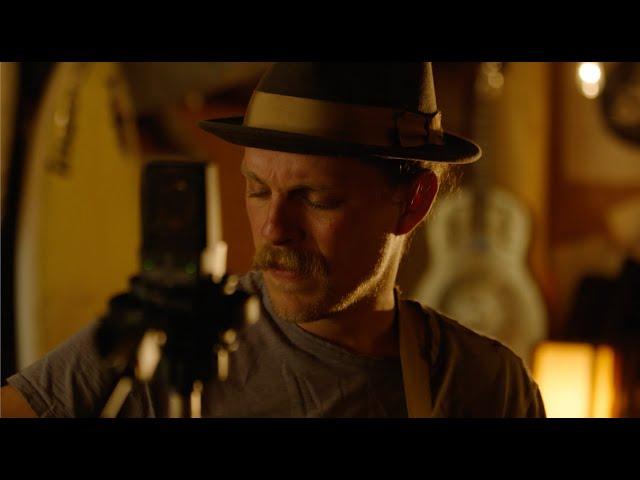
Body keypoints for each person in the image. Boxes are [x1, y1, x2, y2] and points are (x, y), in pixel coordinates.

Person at [1, 62, 546, 418]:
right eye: (258, 190)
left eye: (315, 198)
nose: (272, 229)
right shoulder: (162, 337)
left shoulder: (485, 389)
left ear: (414, 202)